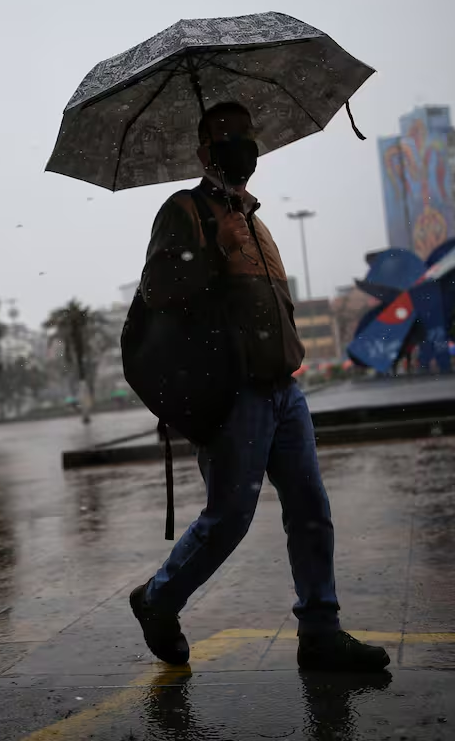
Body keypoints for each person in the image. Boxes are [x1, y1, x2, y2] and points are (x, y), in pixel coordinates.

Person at [129, 101, 390, 672]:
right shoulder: (185, 210)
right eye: (228, 138)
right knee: (230, 518)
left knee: (311, 509)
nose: (243, 147)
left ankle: (320, 630)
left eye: (248, 136)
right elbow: (156, 290)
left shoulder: (258, 220)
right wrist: (209, 252)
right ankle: (158, 599)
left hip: (284, 388)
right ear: (204, 152)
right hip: (234, 392)